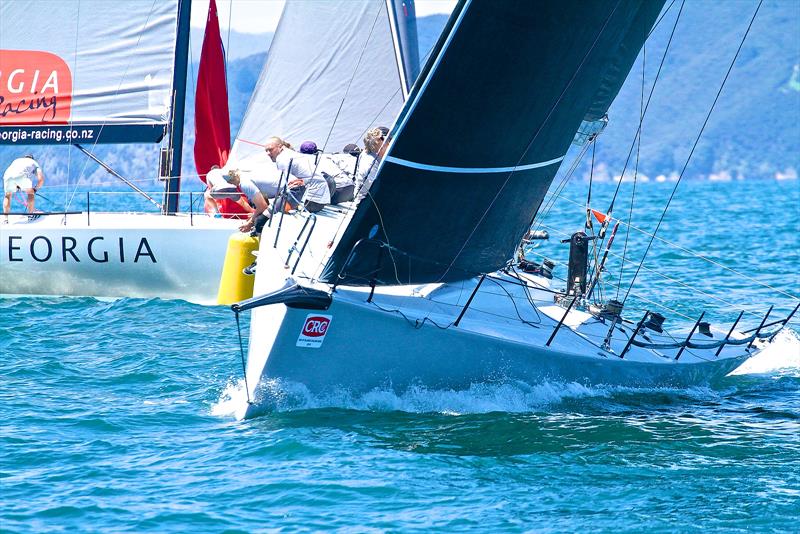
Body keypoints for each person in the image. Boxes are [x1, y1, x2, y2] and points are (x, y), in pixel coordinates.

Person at [264, 136, 332, 212]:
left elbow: (283, 185)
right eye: (266, 150)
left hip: (310, 202)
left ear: (280, 147)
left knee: (269, 206)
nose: (268, 153)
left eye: (270, 149)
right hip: (320, 201)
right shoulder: (290, 153)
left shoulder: (282, 159)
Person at [222, 169, 269, 235]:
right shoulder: (246, 176)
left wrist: (250, 222)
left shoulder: (244, 184)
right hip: (273, 196)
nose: (229, 183)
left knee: (259, 222)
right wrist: (254, 214)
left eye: (229, 181)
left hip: (281, 195)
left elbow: (263, 206)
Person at [354, 126, 389, 200]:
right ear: (381, 141)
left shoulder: (368, 153)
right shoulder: (370, 161)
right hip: (366, 204)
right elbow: (371, 185)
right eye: (390, 140)